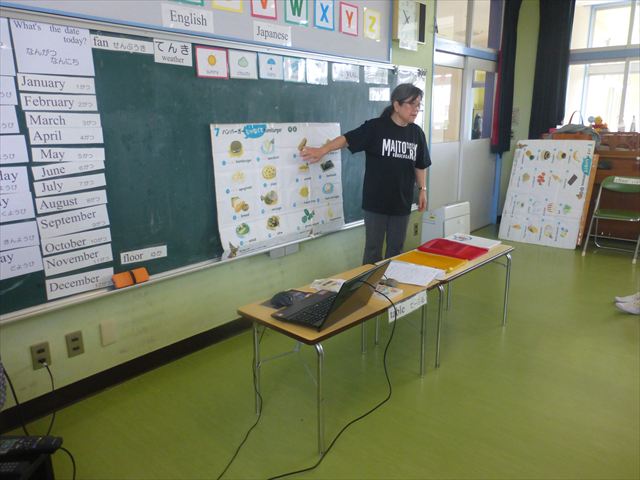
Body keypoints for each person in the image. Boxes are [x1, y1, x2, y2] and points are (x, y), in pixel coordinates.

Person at [301, 83, 431, 264]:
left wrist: (422, 189)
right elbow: (347, 139)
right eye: (411, 104)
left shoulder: (416, 133)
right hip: (376, 203)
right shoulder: (376, 127)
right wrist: (322, 150)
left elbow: (420, 164)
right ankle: (369, 282)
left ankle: (391, 282)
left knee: (396, 251)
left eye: (418, 105)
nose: (416, 109)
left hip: (402, 202)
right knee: (373, 251)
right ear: (396, 105)